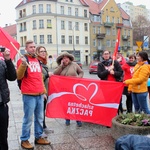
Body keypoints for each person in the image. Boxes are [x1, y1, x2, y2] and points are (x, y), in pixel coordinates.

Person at [17, 40, 50, 149]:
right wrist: (23, 64)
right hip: (29, 94)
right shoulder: (23, 59)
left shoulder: (37, 59)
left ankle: (38, 136)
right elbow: (19, 76)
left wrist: (44, 91)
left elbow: (40, 77)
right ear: (26, 48)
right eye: (30, 47)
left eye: (34, 46)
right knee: (28, 118)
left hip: (39, 94)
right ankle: (24, 139)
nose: (33, 48)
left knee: (40, 118)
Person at [53, 52, 84, 127]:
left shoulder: (74, 65)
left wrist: (78, 78)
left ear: (69, 58)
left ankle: (78, 120)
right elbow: (55, 73)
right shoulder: (59, 66)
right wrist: (61, 66)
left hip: (74, 88)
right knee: (65, 104)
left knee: (76, 104)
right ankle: (67, 119)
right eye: (63, 58)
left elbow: (81, 72)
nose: (65, 59)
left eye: (67, 58)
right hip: (64, 89)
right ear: (61, 60)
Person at [0, 48, 17, 150]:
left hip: (1, 104)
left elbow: (12, 77)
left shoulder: (2, 63)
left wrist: (8, 60)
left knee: (2, 133)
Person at [36, 46, 53, 135]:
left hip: (45, 90)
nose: (43, 53)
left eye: (44, 51)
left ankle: (44, 126)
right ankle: (40, 130)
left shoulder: (44, 63)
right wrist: (47, 75)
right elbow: (38, 77)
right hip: (41, 91)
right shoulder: (37, 63)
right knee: (40, 111)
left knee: (42, 110)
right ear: (37, 53)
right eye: (41, 51)